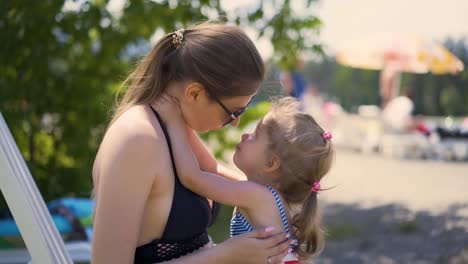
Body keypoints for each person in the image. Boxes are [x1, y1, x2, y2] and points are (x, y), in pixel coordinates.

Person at [91, 22, 292, 264]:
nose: (236, 123)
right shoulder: (138, 139)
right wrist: (224, 255)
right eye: (234, 112)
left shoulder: (173, 125)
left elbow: (215, 176)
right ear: (194, 93)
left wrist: (280, 200)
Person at [153, 96, 335, 263]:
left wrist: (173, 122)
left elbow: (192, 177)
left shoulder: (256, 195)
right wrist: (185, 126)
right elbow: (211, 168)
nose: (245, 135)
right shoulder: (267, 195)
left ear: (271, 163)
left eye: (255, 136)